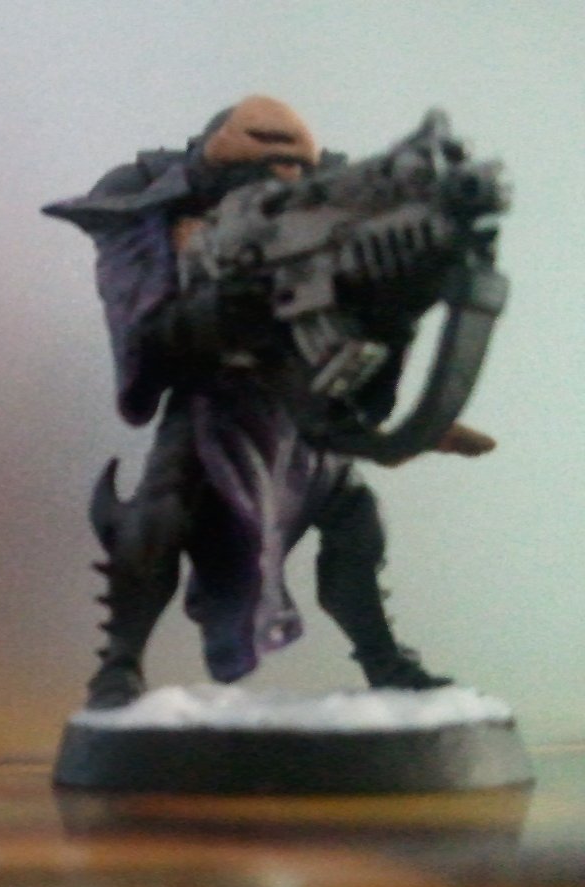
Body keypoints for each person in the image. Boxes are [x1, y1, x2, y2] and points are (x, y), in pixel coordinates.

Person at [45, 96, 494, 709]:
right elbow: (149, 341)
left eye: (292, 173)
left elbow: (358, 324)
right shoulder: (172, 231)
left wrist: (400, 323)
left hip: (298, 407)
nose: (279, 179)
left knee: (355, 521)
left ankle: (385, 662)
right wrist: (211, 312)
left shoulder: (321, 229)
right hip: (212, 406)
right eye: (262, 171)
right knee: (159, 520)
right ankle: (118, 664)